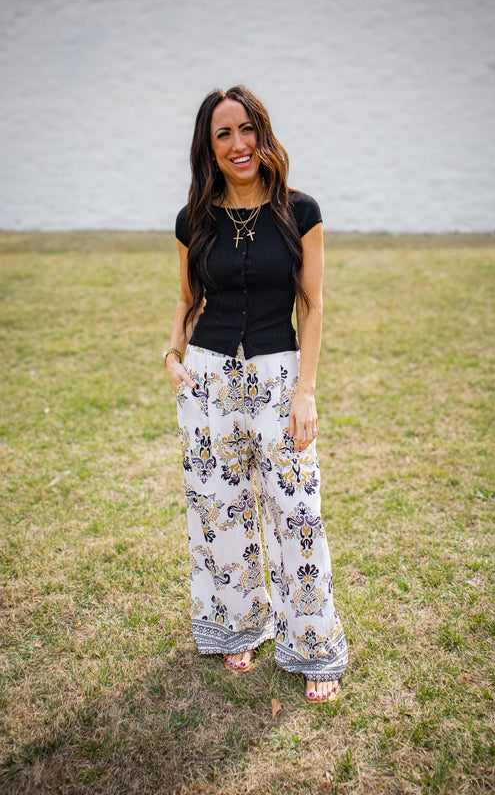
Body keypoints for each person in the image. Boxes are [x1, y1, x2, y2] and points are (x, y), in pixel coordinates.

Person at [164, 86, 348, 703]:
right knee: (220, 511)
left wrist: (307, 391)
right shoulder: (195, 219)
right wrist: (172, 353)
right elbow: (189, 300)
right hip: (209, 380)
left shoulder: (300, 211)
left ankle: (312, 643)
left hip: (278, 378)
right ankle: (236, 623)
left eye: (246, 129)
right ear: (209, 147)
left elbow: (313, 303)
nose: (238, 144)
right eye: (223, 134)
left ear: (262, 133)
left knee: (296, 512)